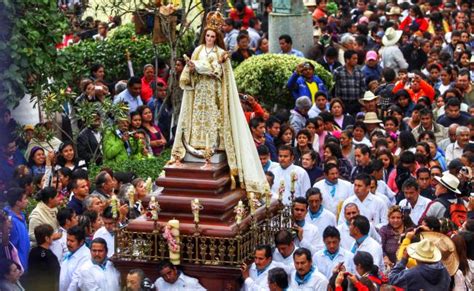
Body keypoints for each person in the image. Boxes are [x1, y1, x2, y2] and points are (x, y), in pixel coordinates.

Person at [171, 11, 268, 195]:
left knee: (213, 122)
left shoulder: (222, 54)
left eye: (212, 36)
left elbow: (218, 71)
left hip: (215, 95)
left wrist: (200, 66)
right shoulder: (198, 51)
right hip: (199, 94)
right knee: (197, 120)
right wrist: (190, 68)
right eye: (207, 35)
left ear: (217, 37)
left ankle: (215, 146)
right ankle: (196, 145)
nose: (209, 38)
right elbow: (187, 74)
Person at [25, 224, 60, 291]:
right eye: (52, 235)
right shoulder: (50, 256)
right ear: (47, 238)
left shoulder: (33, 251)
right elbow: (57, 275)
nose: (53, 237)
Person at [3, 187, 30, 271]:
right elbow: (10, 246)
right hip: (17, 267)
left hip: (24, 262)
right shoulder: (9, 222)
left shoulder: (21, 215)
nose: (27, 201)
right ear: (18, 202)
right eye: (25, 199)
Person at [334, 50, 366, 115]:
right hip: (343, 103)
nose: (356, 60)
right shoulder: (338, 72)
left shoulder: (359, 72)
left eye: (356, 58)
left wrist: (362, 104)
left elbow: (363, 89)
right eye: (354, 58)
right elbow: (334, 88)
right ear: (347, 59)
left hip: (356, 104)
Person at [59, 226, 91, 291]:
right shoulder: (71, 252)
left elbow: (76, 281)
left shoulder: (86, 256)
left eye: (72, 241)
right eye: (67, 240)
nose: (68, 243)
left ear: (81, 242)